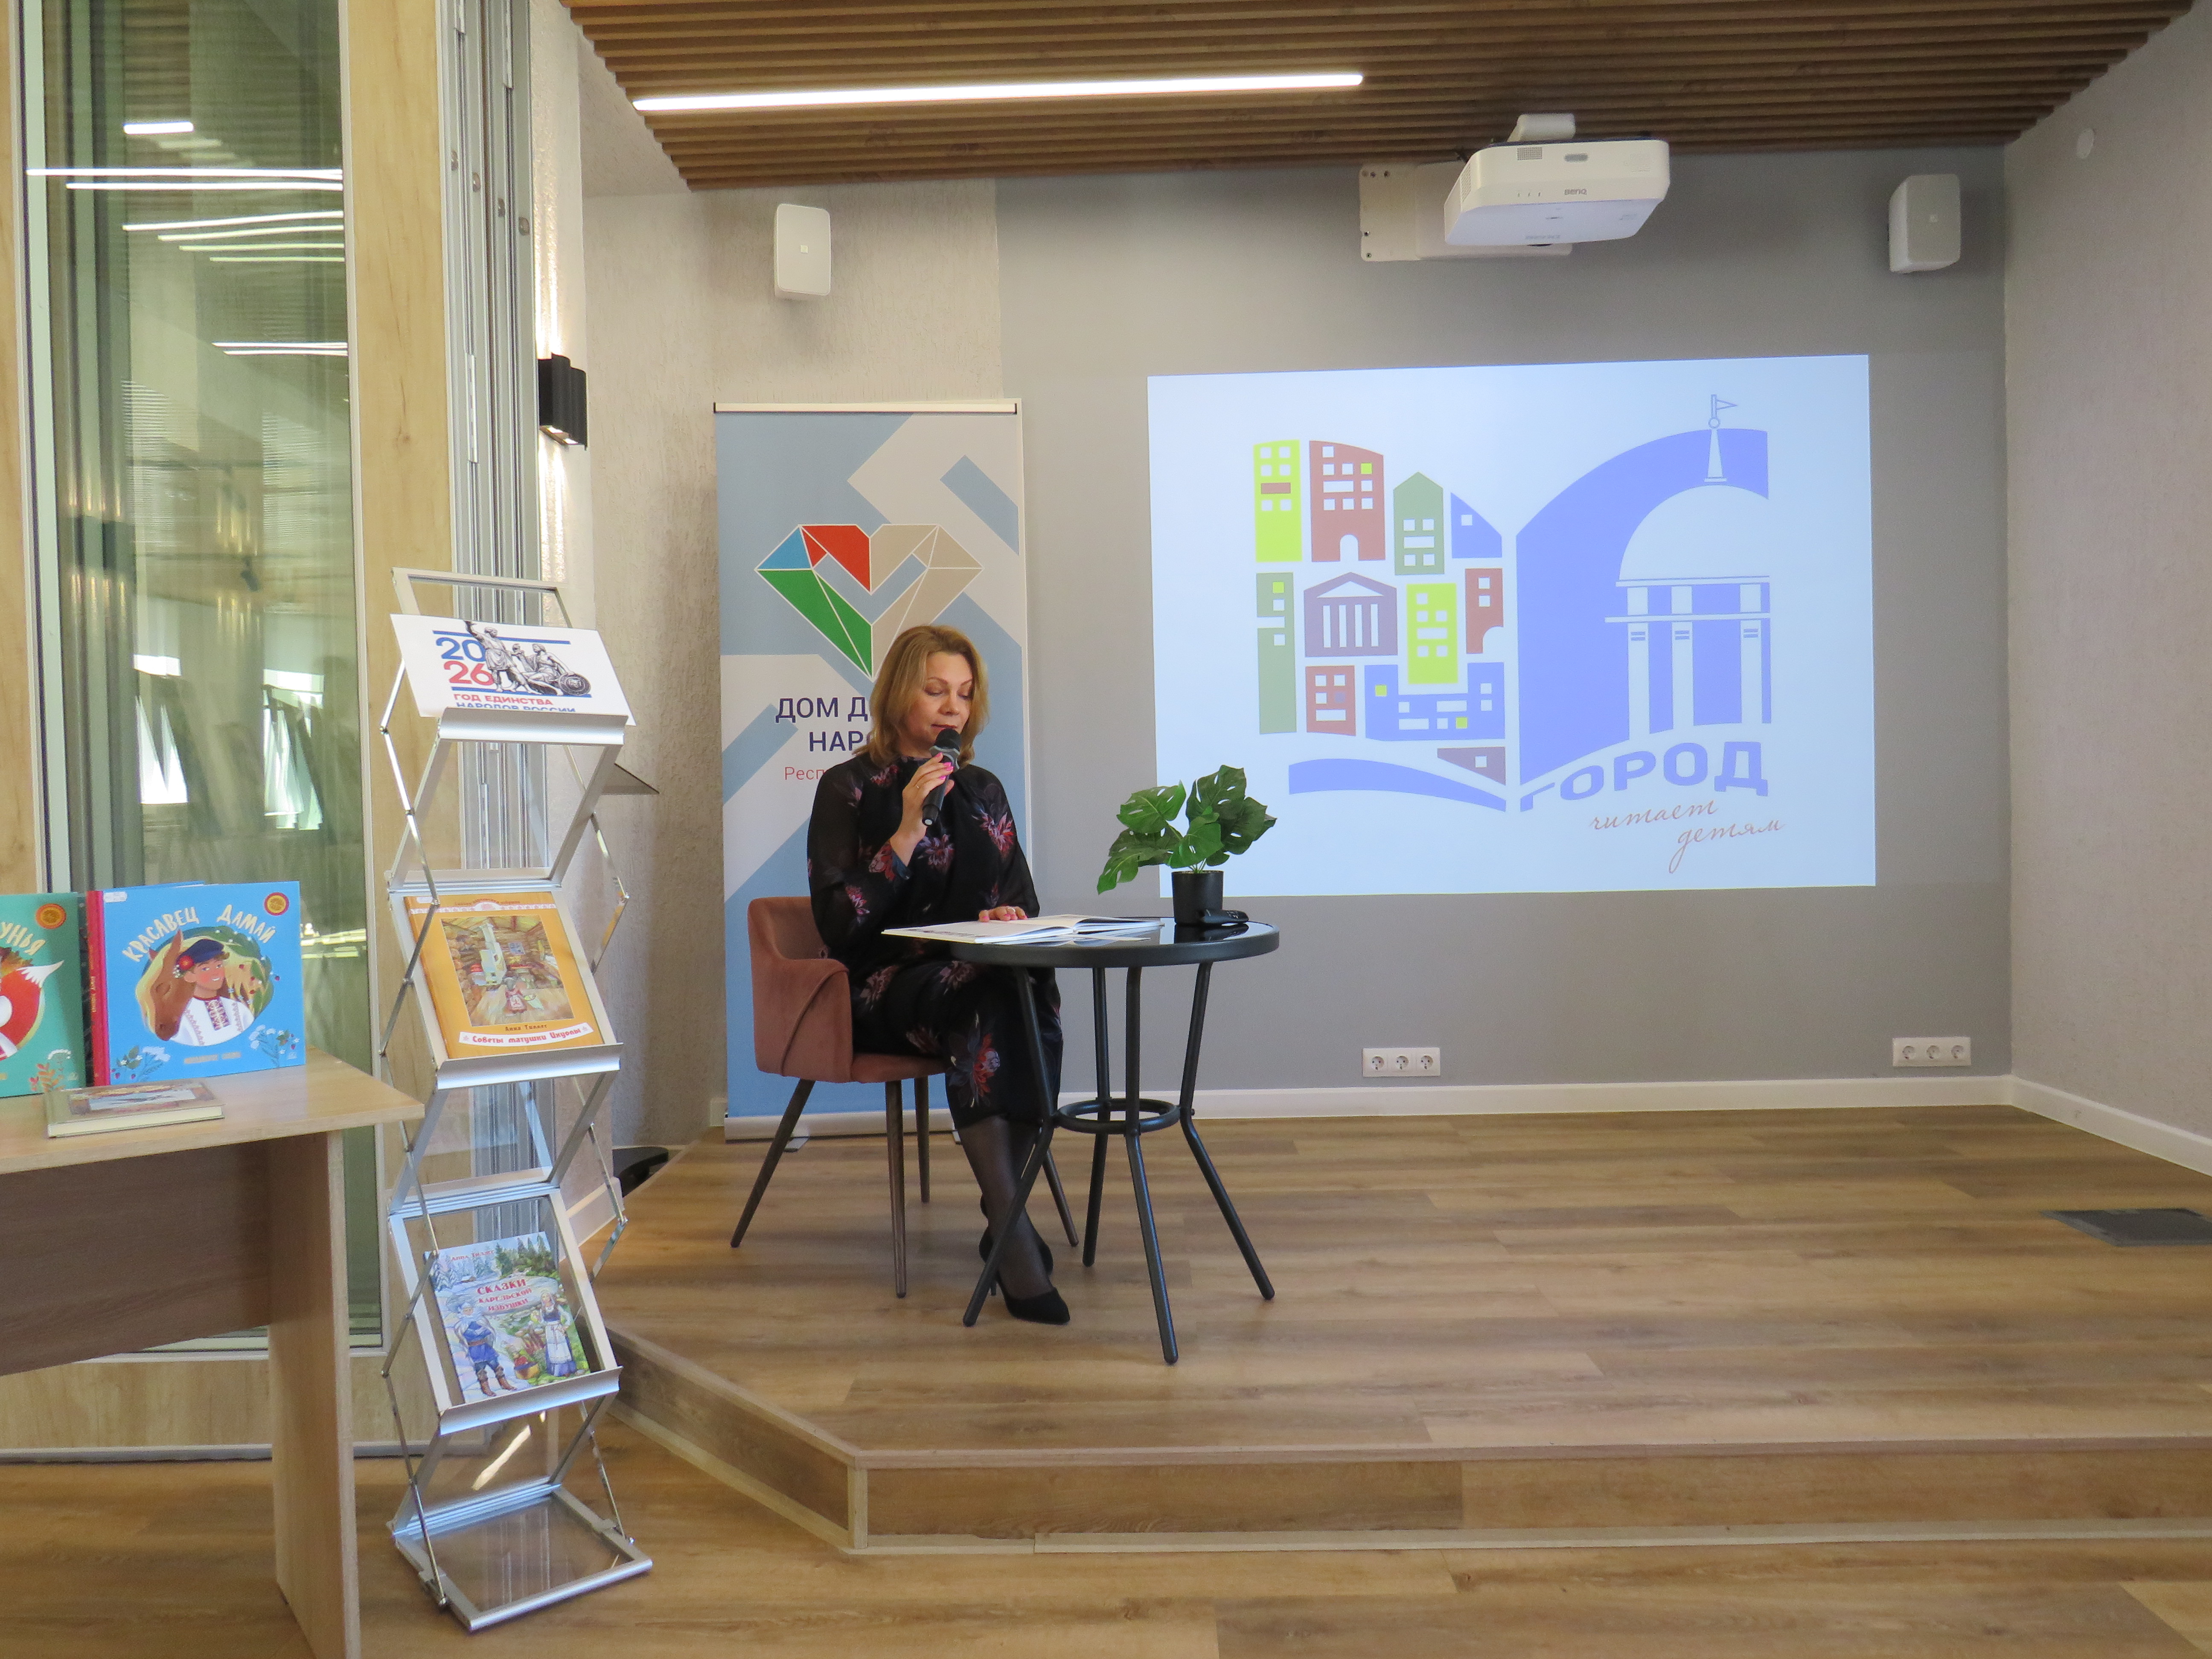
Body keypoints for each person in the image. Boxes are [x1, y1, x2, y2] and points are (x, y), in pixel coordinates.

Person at [806, 624, 1069, 1325]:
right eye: (935, 690)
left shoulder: (982, 789)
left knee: (1027, 984)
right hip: (881, 985)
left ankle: (1004, 1213)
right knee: (985, 993)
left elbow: (1023, 901)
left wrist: (1005, 915)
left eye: (964, 693)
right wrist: (903, 834)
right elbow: (837, 923)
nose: (952, 707)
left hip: (973, 975)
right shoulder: (847, 787)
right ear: (899, 694)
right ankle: (1013, 1234)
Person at [150, 935, 259, 1046]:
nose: (216, 973)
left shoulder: (239, 1010)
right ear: (189, 976)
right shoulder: (183, 1019)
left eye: (219, 966)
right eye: (205, 969)